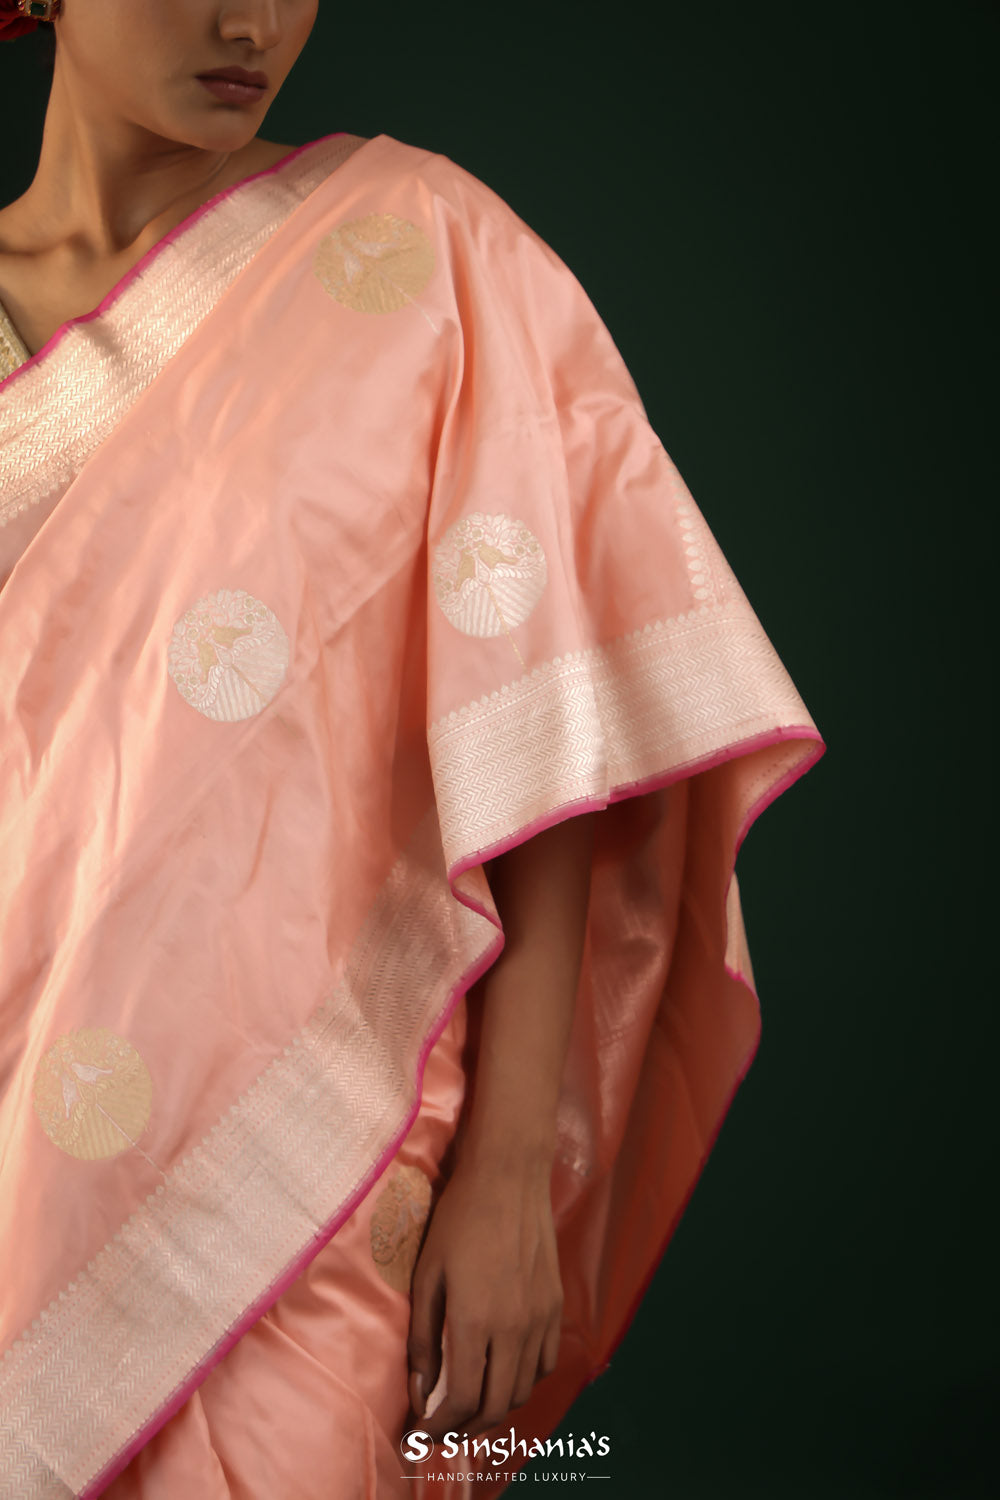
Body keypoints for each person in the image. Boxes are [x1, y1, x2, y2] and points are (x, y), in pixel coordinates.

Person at [0, 2, 824, 1497]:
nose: (253, 20)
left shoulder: (421, 252)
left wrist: (509, 1167)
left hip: (305, 1157)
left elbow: (546, 713)